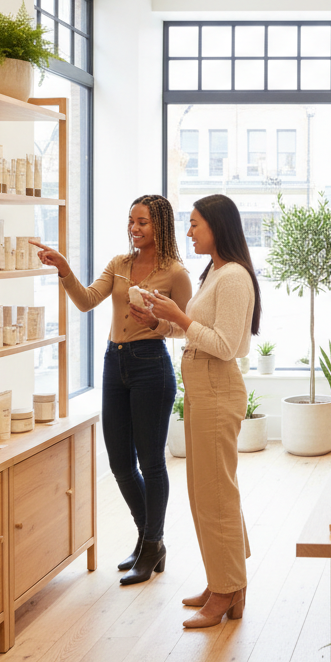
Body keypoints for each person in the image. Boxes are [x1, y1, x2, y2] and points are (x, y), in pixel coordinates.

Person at [32, 194, 191, 585]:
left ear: (161, 227)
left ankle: (152, 543)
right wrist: (64, 269)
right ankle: (148, 538)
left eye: (143, 223)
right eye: (131, 221)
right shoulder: (119, 265)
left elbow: (185, 327)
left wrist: (154, 321)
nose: (134, 228)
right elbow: (86, 301)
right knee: (120, 463)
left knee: (151, 462)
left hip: (151, 365)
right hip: (113, 362)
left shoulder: (176, 273)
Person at [132, 194, 261, 629]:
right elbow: (197, 333)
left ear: (217, 227)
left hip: (217, 386)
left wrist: (181, 320)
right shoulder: (216, 273)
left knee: (215, 492)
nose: (188, 232)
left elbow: (225, 345)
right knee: (208, 490)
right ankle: (225, 581)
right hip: (204, 386)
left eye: (194, 224)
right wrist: (159, 321)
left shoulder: (234, 279)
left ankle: (226, 590)